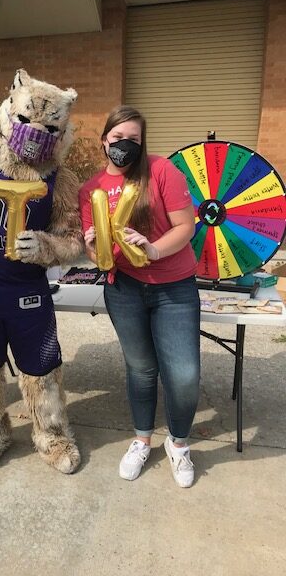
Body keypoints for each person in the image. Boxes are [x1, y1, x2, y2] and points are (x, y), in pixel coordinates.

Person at [79, 105, 200, 488]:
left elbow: (186, 226)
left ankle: (178, 445)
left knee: (183, 375)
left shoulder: (162, 171)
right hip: (125, 289)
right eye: (118, 139)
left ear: (142, 142)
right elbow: (95, 253)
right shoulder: (91, 190)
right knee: (141, 369)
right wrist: (90, 245)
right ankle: (142, 439)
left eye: (133, 139)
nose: (125, 146)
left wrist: (154, 250)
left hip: (174, 287)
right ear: (104, 141)